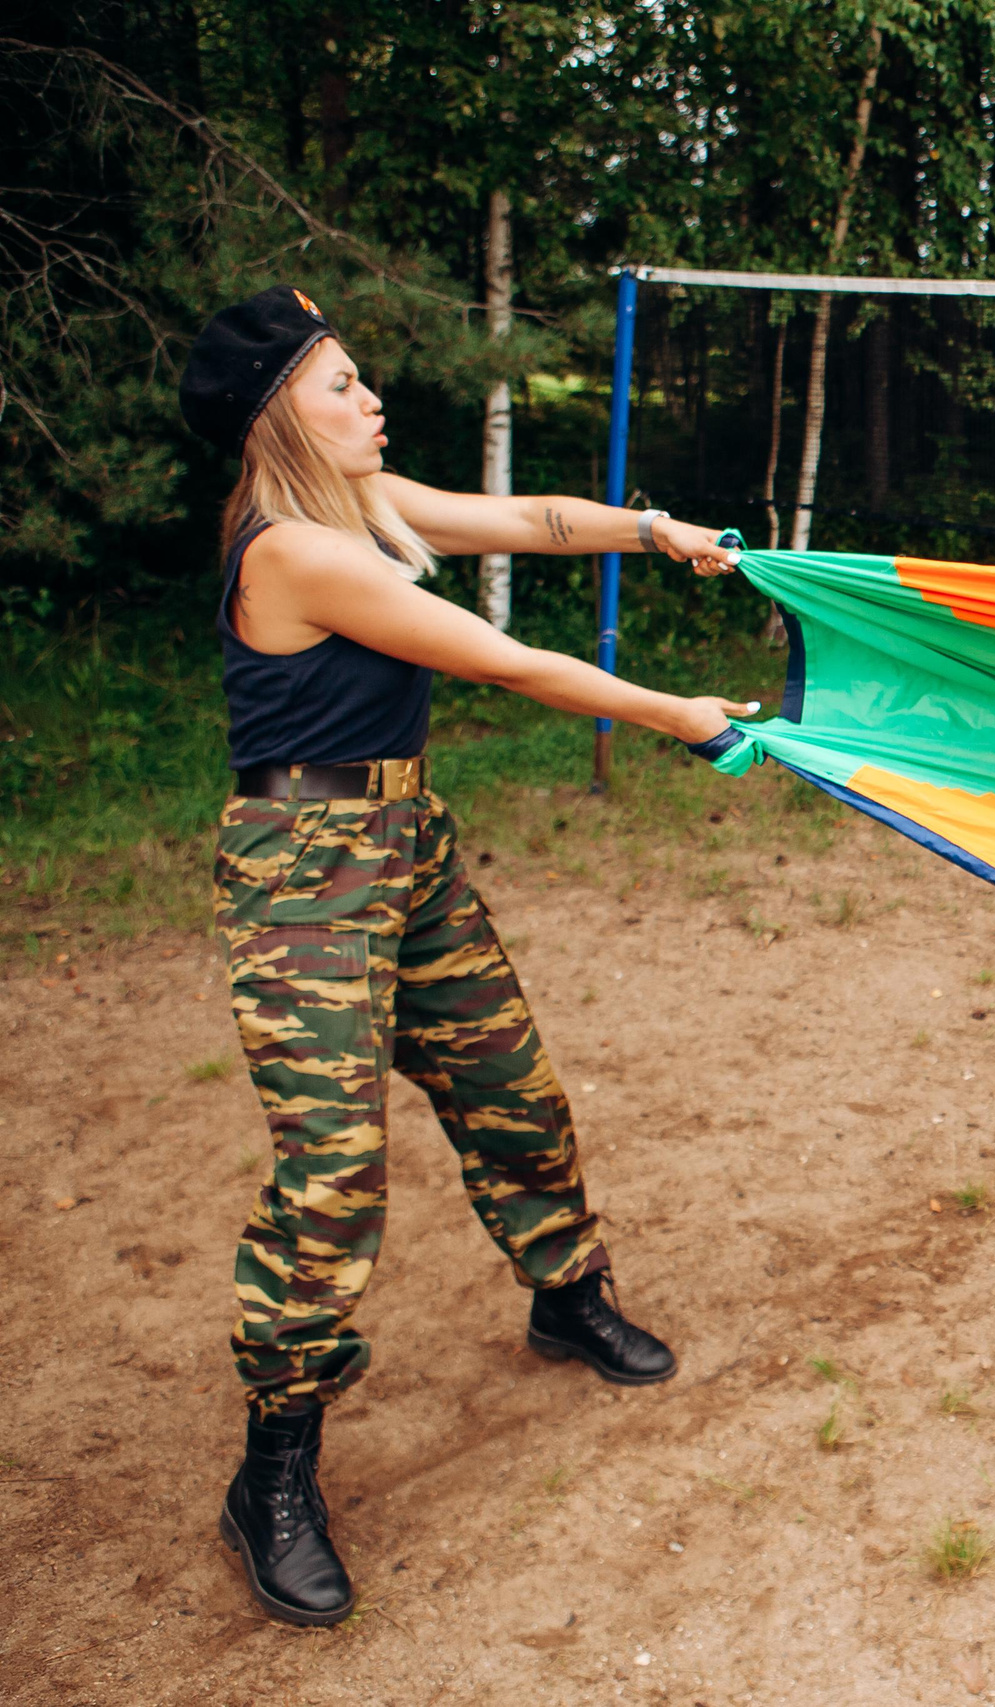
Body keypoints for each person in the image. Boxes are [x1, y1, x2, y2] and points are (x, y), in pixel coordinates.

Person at [180, 285, 753, 1628]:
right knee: (333, 1181)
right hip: (303, 872)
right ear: (281, 417)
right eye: (340, 385)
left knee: (513, 1090)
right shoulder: (292, 551)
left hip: (403, 839)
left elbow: (527, 523)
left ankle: (568, 1295)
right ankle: (273, 1465)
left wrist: (655, 529)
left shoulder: (360, 507)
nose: (370, 399)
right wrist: (675, 711)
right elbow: (506, 658)